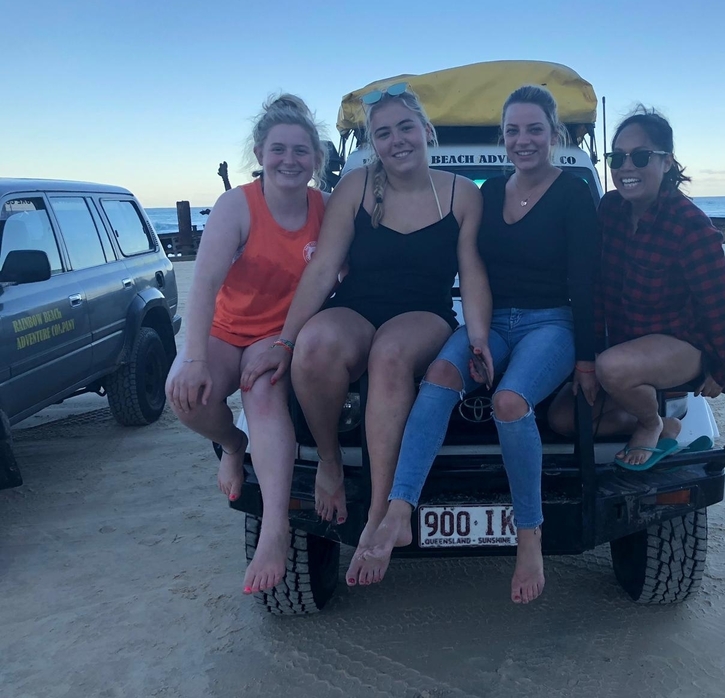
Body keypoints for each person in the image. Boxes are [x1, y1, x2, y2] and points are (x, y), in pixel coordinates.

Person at [351, 85, 599, 604]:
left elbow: (587, 281)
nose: (523, 140)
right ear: (502, 137)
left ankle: (529, 537)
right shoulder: (490, 193)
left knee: (509, 401)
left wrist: (586, 360)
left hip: (551, 323)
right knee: (439, 375)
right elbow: (468, 263)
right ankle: (399, 511)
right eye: (513, 130)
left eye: (534, 129)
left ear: (554, 134)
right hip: (493, 319)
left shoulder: (575, 192)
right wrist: (479, 336)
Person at [238, 84, 489, 585]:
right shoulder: (355, 187)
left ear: (427, 131)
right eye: (384, 133)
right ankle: (330, 461)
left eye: (406, 127)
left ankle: (379, 515)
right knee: (314, 346)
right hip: (357, 306)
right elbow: (323, 270)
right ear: (373, 143)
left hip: (425, 314)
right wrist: (286, 340)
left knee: (390, 352)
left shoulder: (463, 194)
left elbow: (474, 272)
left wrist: (478, 337)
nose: (397, 140)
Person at [165, 94, 328, 594]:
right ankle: (233, 445)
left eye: (301, 151)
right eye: (278, 149)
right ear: (260, 154)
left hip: (280, 334)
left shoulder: (324, 207)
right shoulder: (237, 205)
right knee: (185, 396)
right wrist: (193, 357)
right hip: (225, 328)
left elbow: (336, 274)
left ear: (316, 159)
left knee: (262, 395)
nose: (289, 160)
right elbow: (204, 284)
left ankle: (274, 530)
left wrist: (289, 339)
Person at [549, 106, 725, 468]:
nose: (626, 167)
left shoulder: (689, 225)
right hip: (626, 348)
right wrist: (589, 354)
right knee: (563, 418)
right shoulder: (610, 210)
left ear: (667, 162)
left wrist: (723, 368)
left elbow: (722, 301)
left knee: (612, 368)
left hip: (681, 343)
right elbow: (596, 287)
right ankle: (667, 425)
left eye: (640, 157)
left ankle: (650, 423)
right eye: (617, 157)